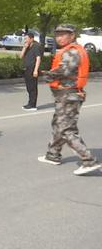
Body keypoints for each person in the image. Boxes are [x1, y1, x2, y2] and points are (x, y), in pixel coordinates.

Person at [38, 24, 101, 175]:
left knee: (67, 129)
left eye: (62, 34)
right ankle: (53, 155)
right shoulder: (72, 50)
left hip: (69, 96)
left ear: (72, 35)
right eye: (57, 34)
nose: (59, 37)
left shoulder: (72, 52)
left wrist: (46, 75)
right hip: (65, 95)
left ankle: (88, 161)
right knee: (58, 124)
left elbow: (64, 70)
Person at [20, 32, 42, 111]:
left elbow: (38, 58)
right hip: (26, 68)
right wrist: (24, 48)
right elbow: (21, 56)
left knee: (32, 87)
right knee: (29, 87)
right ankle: (30, 103)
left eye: (27, 39)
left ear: (31, 38)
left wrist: (36, 70)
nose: (25, 40)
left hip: (32, 69)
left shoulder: (35, 46)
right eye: (24, 39)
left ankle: (33, 105)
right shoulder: (27, 47)